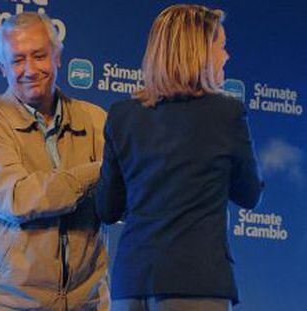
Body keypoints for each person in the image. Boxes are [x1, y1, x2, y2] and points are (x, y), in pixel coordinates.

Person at [96, 4, 264, 311]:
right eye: (222, 46)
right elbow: (250, 194)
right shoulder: (227, 113)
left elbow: (107, 208)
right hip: (196, 283)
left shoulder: (122, 115)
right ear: (198, 53)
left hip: (130, 285)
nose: (226, 56)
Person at [0, 12, 109, 311]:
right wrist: (100, 172)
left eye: (39, 56)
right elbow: (18, 199)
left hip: (85, 302)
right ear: (2, 68)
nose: (30, 69)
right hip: (4, 302)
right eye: (17, 60)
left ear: (58, 58)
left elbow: (121, 199)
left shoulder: (96, 121)